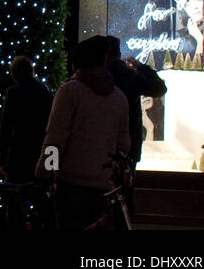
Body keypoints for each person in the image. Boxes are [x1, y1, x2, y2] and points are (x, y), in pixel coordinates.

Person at [37, 35, 130, 230]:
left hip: (70, 184)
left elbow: (55, 138)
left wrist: (45, 172)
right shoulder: (119, 97)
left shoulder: (70, 91)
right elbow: (123, 145)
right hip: (103, 186)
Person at [105, 35, 166, 169]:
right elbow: (160, 88)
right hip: (129, 144)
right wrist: (141, 67)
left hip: (101, 144)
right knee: (125, 183)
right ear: (118, 53)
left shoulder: (97, 77)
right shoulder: (130, 76)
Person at [0, 56, 52, 183]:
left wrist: (2, 158)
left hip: (19, 150)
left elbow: (6, 126)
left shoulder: (13, 92)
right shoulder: (44, 91)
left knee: (14, 192)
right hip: (39, 148)